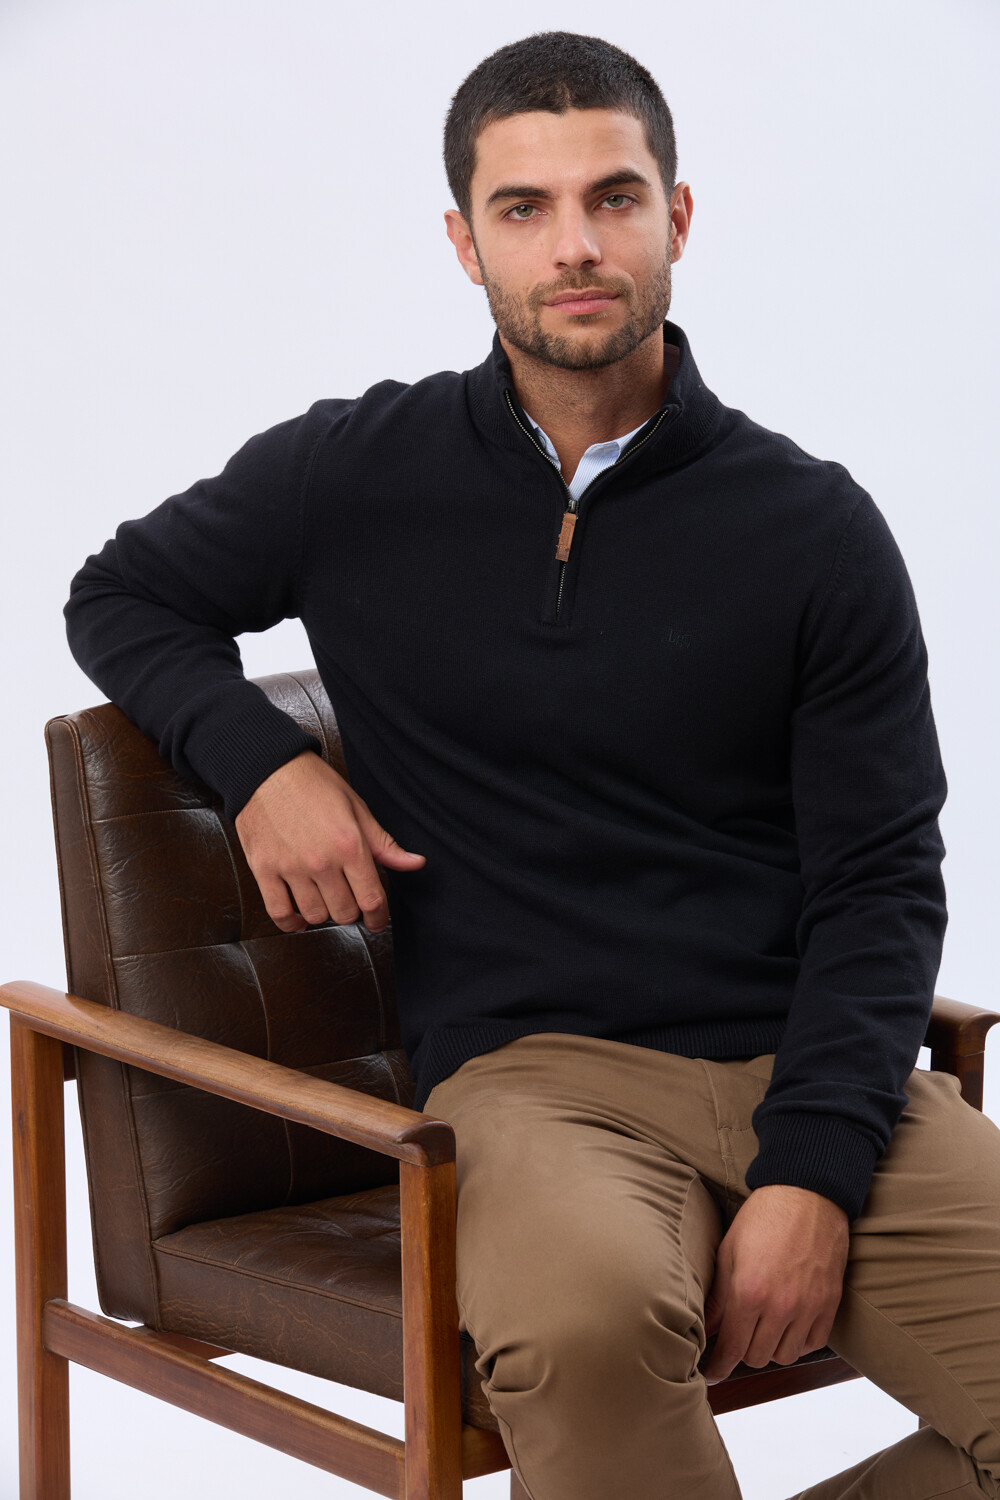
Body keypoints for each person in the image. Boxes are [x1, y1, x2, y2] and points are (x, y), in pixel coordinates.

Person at [64, 30, 999, 1500]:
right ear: (466, 241)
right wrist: (262, 764)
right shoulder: (352, 471)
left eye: (613, 198)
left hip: (809, 1061)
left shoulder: (814, 527)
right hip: (534, 1079)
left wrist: (812, 1172)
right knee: (580, 1336)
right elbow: (119, 595)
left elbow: (883, 878)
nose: (576, 246)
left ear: (675, 218)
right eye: (525, 207)